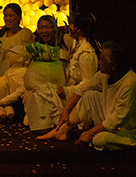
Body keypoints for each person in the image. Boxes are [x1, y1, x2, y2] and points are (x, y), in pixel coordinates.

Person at [46, 41, 136, 150]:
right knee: (90, 95)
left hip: (132, 132)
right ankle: (62, 131)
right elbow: (83, 89)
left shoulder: (130, 84)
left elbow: (116, 120)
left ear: (113, 66)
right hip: (116, 123)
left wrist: (90, 133)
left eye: (103, 60)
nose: (99, 62)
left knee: (99, 139)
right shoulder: (105, 75)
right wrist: (65, 111)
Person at [0, 15, 65, 131]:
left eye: (47, 27)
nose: (44, 31)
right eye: (41, 28)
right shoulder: (35, 46)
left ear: (54, 28)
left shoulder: (60, 48)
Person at [38, 12, 102, 140]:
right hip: (74, 86)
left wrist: (67, 91)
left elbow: (89, 82)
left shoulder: (86, 53)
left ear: (78, 29)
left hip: (84, 92)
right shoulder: (75, 44)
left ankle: (62, 129)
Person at [0, 3, 33, 105]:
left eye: (11, 16)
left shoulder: (24, 35)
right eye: (5, 16)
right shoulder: (0, 35)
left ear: (19, 17)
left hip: (14, 78)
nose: (7, 19)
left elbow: (29, 57)